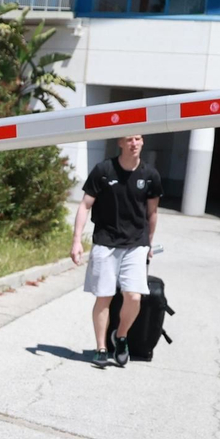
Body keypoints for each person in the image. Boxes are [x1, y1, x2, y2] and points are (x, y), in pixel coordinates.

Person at [70, 133, 160, 367]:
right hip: (105, 241)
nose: (134, 143)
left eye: (138, 139)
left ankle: (120, 337)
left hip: (136, 244)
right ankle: (101, 347)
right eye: (129, 139)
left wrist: (149, 243)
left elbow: (152, 212)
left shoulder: (150, 175)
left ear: (143, 142)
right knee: (104, 297)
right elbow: (85, 205)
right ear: (120, 143)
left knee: (134, 296)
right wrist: (77, 240)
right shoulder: (104, 170)